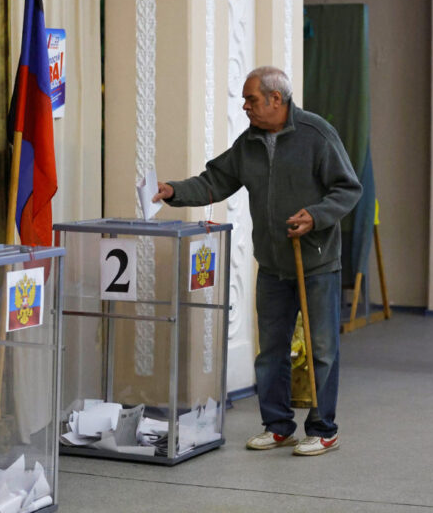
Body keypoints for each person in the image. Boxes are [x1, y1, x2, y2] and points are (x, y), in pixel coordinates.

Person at [153, 66, 361, 456]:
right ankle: (278, 425)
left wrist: (315, 216)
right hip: (272, 264)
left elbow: (348, 188)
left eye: (251, 99)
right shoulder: (248, 143)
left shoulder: (317, 135)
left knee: (322, 350)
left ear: (276, 100)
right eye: (246, 100)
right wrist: (173, 191)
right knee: (271, 350)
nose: (245, 106)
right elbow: (214, 181)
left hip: (315, 263)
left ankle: (323, 428)